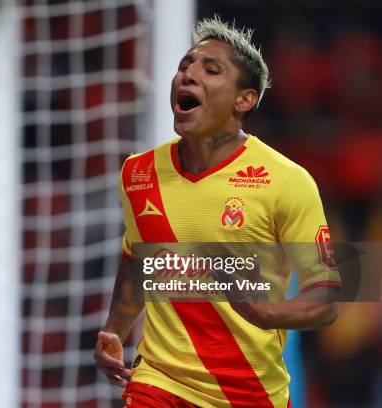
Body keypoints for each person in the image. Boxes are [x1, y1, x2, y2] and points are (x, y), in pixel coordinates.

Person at [95, 17, 341, 408]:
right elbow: (137, 260)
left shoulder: (286, 181)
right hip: (158, 383)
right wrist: (115, 329)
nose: (188, 75)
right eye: (184, 66)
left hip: (249, 393)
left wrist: (267, 311)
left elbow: (326, 300)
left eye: (211, 70)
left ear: (244, 101)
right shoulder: (138, 172)